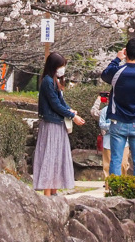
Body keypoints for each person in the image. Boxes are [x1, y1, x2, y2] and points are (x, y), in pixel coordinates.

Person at [100, 38, 135, 178]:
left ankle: (114, 191)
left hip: (118, 121)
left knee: (116, 160)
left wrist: (117, 59)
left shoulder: (117, 73)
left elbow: (105, 74)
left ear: (125, 52)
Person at [33, 52, 86, 196]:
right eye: (60, 66)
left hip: (57, 123)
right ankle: (48, 194)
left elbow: (61, 102)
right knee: (50, 157)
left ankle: (54, 192)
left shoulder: (53, 80)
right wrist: (72, 116)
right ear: (54, 66)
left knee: (57, 157)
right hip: (51, 124)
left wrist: (70, 110)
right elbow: (55, 104)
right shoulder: (48, 81)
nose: (62, 69)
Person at [92, 91, 131, 178]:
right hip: (108, 140)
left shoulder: (124, 110)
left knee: (123, 164)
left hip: (124, 141)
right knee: (108, 166)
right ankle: (109, 186)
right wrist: (98, 100)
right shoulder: (105, 110)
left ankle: (123, 185)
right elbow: (99, 119)